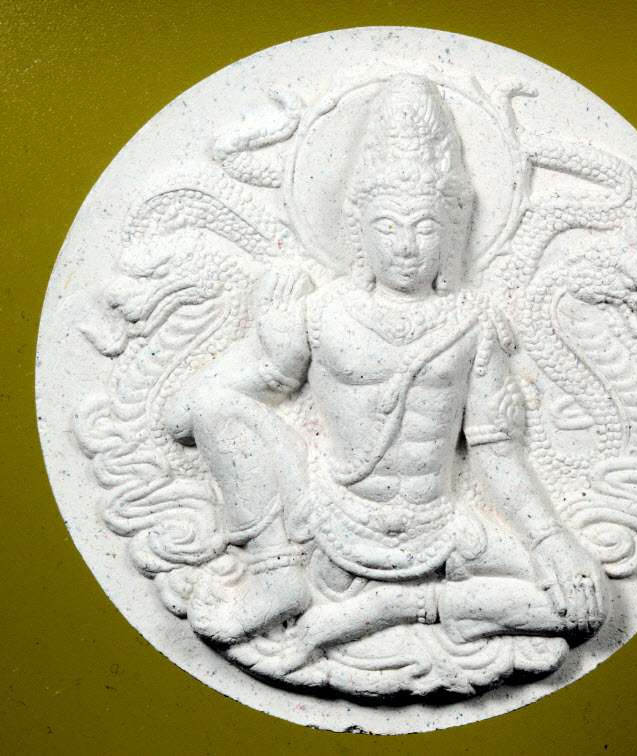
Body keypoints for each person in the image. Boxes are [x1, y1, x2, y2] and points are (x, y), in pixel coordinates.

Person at [165, 73, 606, 671]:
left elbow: (496, 451)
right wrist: (262, 333)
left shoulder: (473, 323)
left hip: (441, 525)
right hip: (327, 513)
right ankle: (276, 578)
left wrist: (552, 541)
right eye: (387, 226)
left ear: (451, 233)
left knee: (580, 607)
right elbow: (186, 417)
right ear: (358, 230)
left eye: (425, 227)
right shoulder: (320, 313)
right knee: (221, 409)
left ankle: (387, 609)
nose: (407, 246)